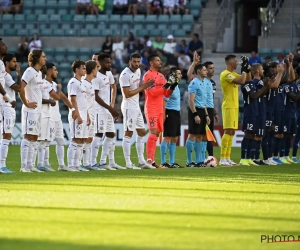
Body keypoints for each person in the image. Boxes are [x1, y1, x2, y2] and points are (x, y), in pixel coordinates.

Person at [120, 53, 155, 169]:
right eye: (134, 62)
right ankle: (128, 162)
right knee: (128, 133)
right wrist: (144, 87)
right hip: (128, 106)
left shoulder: (138, 71)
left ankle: (141, 160)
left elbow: (137, 85)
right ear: (129, 61)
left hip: (136, 106)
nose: (136, 64)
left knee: (141, 132)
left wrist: (145, 85)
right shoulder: (125, 74)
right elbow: (127, 93)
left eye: (138, 62)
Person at [42, 63, 78, 172]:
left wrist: (73, 109)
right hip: (48, 117)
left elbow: (64, 98)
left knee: (60, 141)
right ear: (49, 71)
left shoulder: (54, 84)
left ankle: (61, 165)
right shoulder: (44, 84)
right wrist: (58, 88)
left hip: (56, 117)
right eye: (55, 70)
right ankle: (45, 163)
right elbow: (57, 97)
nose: (57, 72)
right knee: (46, 141)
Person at [143, 54, 176, 168]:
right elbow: (154, 93)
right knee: (153, 132)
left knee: (156, 134)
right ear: (151, 63)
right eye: (157, 60)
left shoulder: (162, 76)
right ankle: (149, 160)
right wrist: (167, 84)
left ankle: (152, 161)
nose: (160, 62)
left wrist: (173, 85)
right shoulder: (148, 76)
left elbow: (166, 94)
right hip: (151, 108)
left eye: (160, 60)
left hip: (160, 108)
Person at [92, 53, 123, 170]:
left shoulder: (109, 74)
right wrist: (111, 108)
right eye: (107, 62)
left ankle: (103, 161)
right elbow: (95, 97)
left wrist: (112, 103)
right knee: (99, 134)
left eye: (110, 62)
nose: (109, 64)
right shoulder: (96, 77)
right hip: (99, 110)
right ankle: (93, 162)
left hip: (108, 110)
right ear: (99, 63)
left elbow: (113, 86)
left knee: (111, 134)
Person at [219, 55, 251, 166]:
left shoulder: (232, 74)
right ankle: (222, 158)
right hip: (228, 105)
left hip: (234, 105)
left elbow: (248, 79)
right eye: (235, 61)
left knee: (232, 132)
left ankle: (227, 158)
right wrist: (243, 70)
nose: (237, 63)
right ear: (230, 62)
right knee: (228, 131)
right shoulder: (225, 74)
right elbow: (242, 81)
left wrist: (247, 68)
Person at [19, 49, 46, 172]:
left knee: (35, 138)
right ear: (37, 58)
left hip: (38, 110)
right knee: (28, 137)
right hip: (30, 110)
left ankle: (31, 165)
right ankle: (23, 166)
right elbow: (21, 88)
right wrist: (26, 103)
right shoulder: (29, 71)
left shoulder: (39, 73)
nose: (45, 58)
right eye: (43, 56)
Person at [239, 64, 270, 166]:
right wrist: (265, 86)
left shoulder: (252, 84)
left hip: (255, 112)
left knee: (252, 135)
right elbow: (254, 96)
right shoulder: (247, 85)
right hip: (249, 112)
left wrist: (265, 87)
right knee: (248, 134)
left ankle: (249, 158)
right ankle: (243, 158)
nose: (263, 70)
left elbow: (259, 94)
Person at [36, 65, 61, 172]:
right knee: (40, 141)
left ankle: (43, 164)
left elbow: (56, 98)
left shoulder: (46, 84)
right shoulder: (40, 82)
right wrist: (50, 100)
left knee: (45, 140)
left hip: (47, 114)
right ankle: (38, 164)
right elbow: (38, 98)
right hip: (41, 113)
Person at [67, 60, 90, 172]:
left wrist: (87, 116)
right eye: (83, 68)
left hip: (84, 114)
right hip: (77, 115)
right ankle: (71, 165)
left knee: (82, 141)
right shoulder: (73, 82)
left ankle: (77, 164)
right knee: (75, 140)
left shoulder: (81, 83)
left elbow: (84, 100)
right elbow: (72, 99)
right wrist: (77, 114)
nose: (85, 70)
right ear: (77, 69)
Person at [186, 64, 211, 167]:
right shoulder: (194, 83)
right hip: (194, 111)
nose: (206, 71)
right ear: (199, 71)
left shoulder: (204, 83)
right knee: (192, 135)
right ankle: (189, 161)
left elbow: (203, 102)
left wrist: (206, 115)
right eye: (204, 70)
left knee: (200, 136)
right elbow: (191, 101)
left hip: (202, 110)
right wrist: (195, 114)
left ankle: (199, 161)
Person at [0, 53, 21, 173]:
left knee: (6, 136)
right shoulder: (6, 76)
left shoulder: (8, 77)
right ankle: (2, 165)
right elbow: (18, 88)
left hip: (9, 106)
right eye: (13, 61)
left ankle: (2, 165)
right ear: (6, 63)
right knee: (6, 136)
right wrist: (19, 74)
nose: (16, 64)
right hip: (6, 106)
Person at [160, 67, 183, 168]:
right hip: (170, 112)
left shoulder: (176, 86)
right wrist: (164, 115)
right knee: (167, 137)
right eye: (178, 74)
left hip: (176, 113)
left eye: (180, 73)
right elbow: (164, 101)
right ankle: (163, 162)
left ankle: (172, 162)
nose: (181, 75)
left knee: (175, 138)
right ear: (172, 76)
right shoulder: (169, 87)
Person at [81, 60, 99, 170]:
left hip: (92, 114)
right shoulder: (84, 83)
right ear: (93, 70)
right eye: (96, 68)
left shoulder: (91, 83)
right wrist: (87, 115)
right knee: (83, 139)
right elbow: (82, 101)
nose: (97, 70)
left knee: (89, 139)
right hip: (86, 115)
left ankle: (87, 163)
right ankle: (77, 163)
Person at [203, 61, 220, 157]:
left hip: (210, 110)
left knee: (209, 135)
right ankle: (202, 158)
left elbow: (210, 99)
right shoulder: (202, 82)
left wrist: (214, 113)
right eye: (210, 68)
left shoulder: (213, 83)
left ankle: (210, 157)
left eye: (213, 68)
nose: (213, 70)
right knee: (203, 136)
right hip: (203, 110)